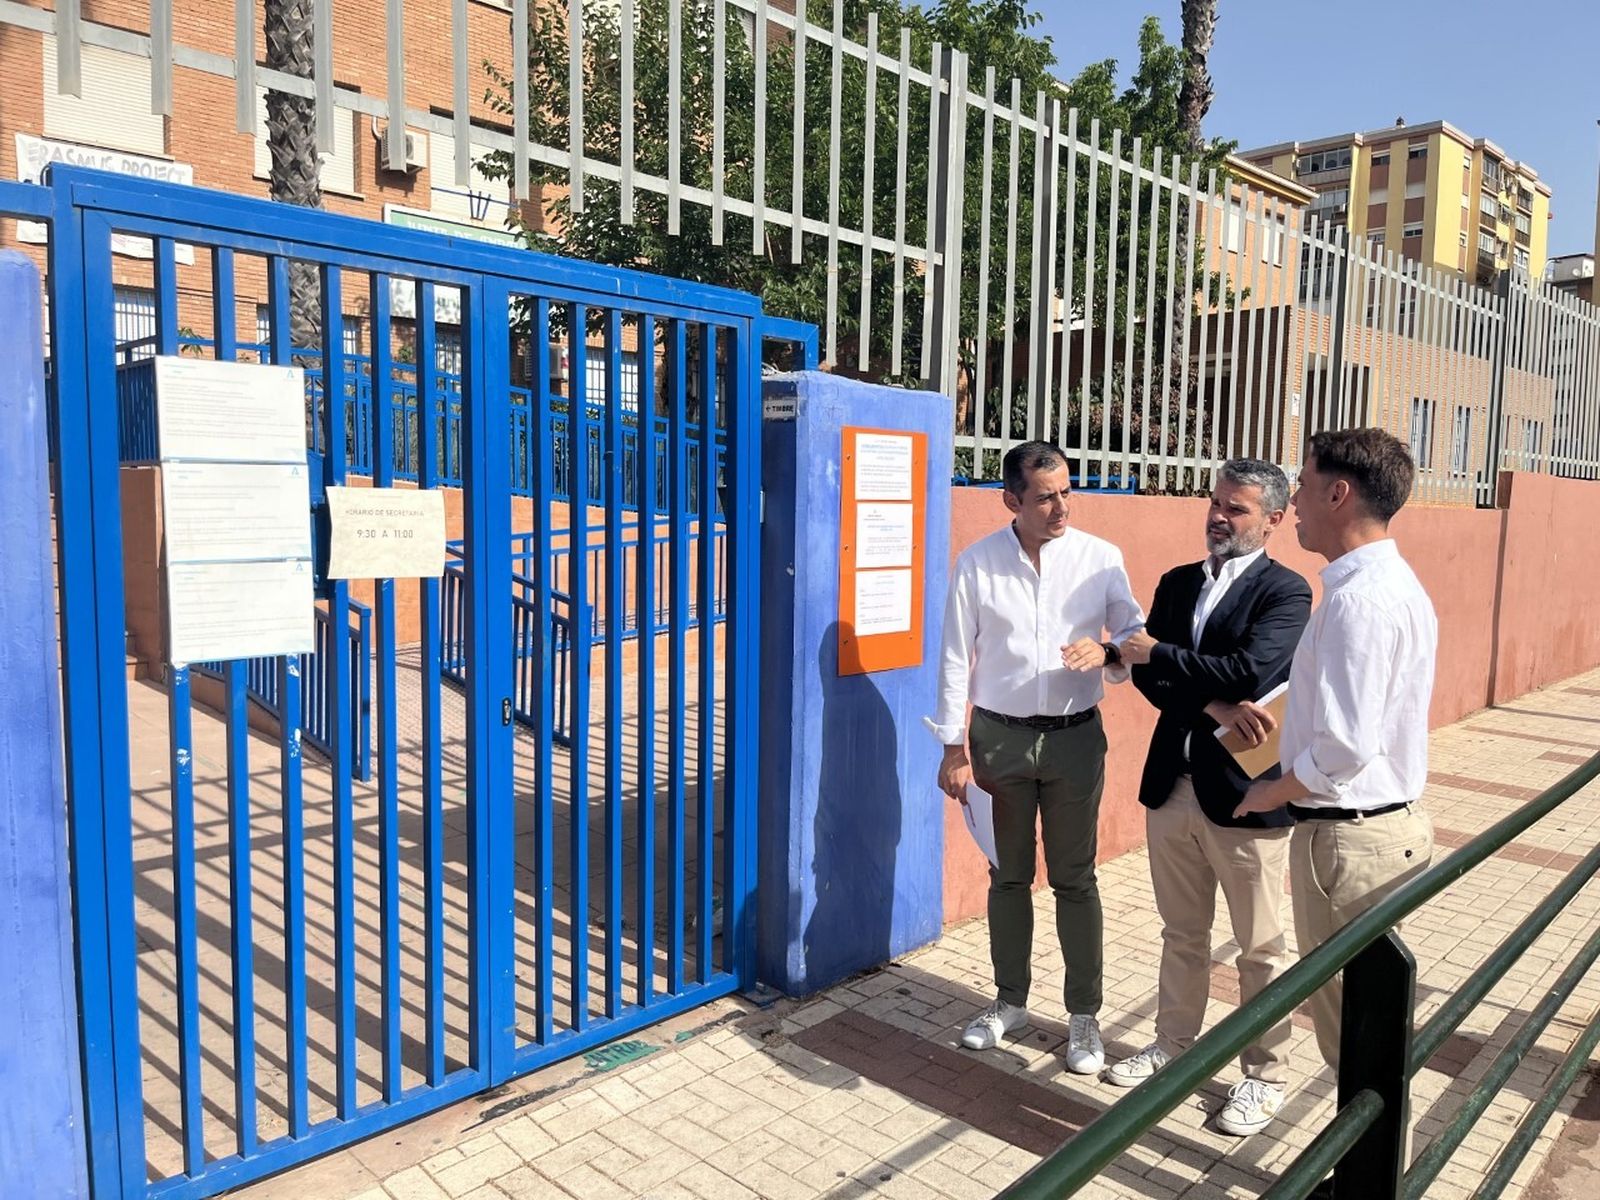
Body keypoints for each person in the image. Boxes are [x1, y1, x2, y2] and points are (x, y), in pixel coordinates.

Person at [1105, 459, 1312, 1138]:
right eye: (1216, 503)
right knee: (1182, 933)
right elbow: (1146, 678)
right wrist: (1215, 703)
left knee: (1260, 948)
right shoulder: (1177, 582)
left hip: (1247, 795)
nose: (1219, 516)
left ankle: (1264, 1076)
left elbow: (1248, 669)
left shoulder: (1286, 592)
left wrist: (1159, 654)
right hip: (1173, 787)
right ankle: (1172, 1047)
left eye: (1237, 508)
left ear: (1273, 520)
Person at [932, 441, 1144, 1073]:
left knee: (1075, 878)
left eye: (1067, 492)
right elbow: (954, 656)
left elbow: (1134, 637)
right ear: (1012, 500)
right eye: (1046, 497)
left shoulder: (1100, 559)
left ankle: (1083, 1017)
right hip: (998, 738)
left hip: (1075, 739)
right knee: (1008, 876)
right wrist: (952, 747)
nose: (1062, 507)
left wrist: (1106, 652)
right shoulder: (977, 564)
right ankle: (1009, 1001)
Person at [1234, 428, 1437, 1073]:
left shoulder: (1359, 601)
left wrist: (1272, 790)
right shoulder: (1389, 583)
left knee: (1350, 1035)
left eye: (1303, 483)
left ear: (1338, 494)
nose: (1293, 500)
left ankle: (1364, 1142)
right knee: (1369, 1024)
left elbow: (1346, 745)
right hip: (1376, 832)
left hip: (1349, 840)